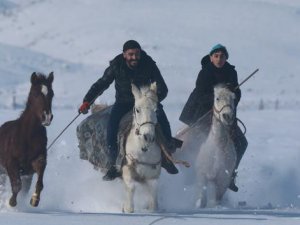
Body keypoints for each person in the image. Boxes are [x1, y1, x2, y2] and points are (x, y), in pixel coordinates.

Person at [79, 40, 182, 181]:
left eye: (137, 54)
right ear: (124, 54)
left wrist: (153, 99)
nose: (134, 57)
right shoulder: (116, 65)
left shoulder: (148, 63)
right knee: (111, 128)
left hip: (145, 103)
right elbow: (102, 84)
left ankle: (167, 156)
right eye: (131, 54)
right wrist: (87, 100)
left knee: (161, 119)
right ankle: (113, 165)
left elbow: (163, 88)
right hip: (123, 102)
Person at [179, 44, 248, 192]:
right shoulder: (205, 72)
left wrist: (231, 97)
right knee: (192, 142)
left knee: (242, 143)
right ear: (211, 57)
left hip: (225, 114)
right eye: (216, 56)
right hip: (201, 112)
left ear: (226, 58)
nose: (219, 59)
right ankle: (186, 174)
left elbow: (237, 93)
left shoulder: (231, 72)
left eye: (222, 56)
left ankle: (231, 175)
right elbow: (200, 95)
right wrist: (219, 96)